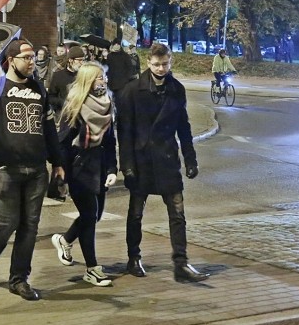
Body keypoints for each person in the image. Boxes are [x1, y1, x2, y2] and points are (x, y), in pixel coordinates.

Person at [0, 39, 64, 301]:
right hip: (5, 168)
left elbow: (49, 129)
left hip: (37, 170)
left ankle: (19, 279)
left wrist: (59, 162)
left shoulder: (39, 87)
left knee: (30, 227)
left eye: (32, 57)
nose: (32, 61)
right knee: (6, 223)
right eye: (26, 57)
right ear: (11, 60)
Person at [117, 43, 208, 282]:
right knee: (136, 213)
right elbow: (124, 132)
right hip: (141, 159)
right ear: (148, 63)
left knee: (178, 213)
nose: (160, 68)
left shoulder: (176, 89)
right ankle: (133, 258)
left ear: (171, 62)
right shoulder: (132, 90)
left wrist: (190, 159)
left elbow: (184, 127)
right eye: (156, 64)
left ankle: (181, 263)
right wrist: (126, 165)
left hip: (167, 159)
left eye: (165, 64)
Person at [50, 62, 118, 287]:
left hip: (99, 167)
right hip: (79, 167)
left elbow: (109, 141)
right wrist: (62, 173)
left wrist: (111, 169)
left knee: (95, 216)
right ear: (88, 81)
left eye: (104, 77)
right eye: (100, 78)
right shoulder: (75, 106)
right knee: (89, 216)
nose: (104, 81)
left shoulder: (107, 105)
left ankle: (65, 240)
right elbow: (62, 143)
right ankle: (92, 268)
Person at [45, 46, 85, 202]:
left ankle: (74, 185)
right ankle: (57, 187)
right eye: (79, 60)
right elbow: (50, 97)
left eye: (83, 60)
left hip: (82, 122)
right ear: (71, 60)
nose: (81, 64)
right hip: (65, 122)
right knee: (62, 155)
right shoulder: (59, 76)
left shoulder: (84, 76)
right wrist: (63, 102)